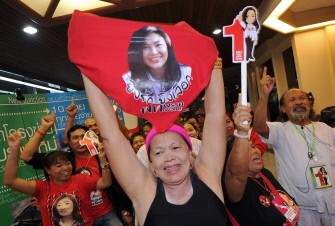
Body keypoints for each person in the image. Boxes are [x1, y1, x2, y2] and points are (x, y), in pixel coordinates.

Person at [82, 61, 227, 225]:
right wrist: (88, 67)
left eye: (175, 147)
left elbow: (215, 117)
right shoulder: (145, 193)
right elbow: (111, 136)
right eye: (158, 152)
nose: (168, 157)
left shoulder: (208, 177)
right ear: (151, 164)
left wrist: (214, 65)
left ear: (189, 151)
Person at [253, 68, 335, 225]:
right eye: (292, 100)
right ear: (283, 109)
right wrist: (264, 95)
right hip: (302, 208)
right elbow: (258, 126)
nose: (299, 102)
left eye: (302, 98)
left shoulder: (324, 128)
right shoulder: (280, 130)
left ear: (309, 104)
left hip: (331, 203)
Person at [20, 116, 125, 226]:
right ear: (68, 141)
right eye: (75, 138)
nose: (80, 141)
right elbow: (27, 156)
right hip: (80, 219)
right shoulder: (63, 160)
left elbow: (116, 185)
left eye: (83, 137)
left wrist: (124, 210)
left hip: (107, 212)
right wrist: (43, 128)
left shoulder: (101, 156)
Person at [4, 132, 112, 226]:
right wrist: (14, 149)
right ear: (48, 170)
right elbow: (10, 181)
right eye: (58, 166)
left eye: (67, 163)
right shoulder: (42, 188)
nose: (65, 168)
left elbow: (105, 183)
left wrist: (103, 161)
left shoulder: (81, 179)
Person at [224, 99, 300, 226]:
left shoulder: (265, 174)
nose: (254, 151)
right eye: (245, 151)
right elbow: (235, 173)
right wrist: (242, 130)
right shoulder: (234, 187)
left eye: (253, 147)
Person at [122, 26, 192, 105]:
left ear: (168, 47)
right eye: (145, 47)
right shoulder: (128, 80)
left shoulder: (187, 73)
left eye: (158, 45)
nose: (154, 52)